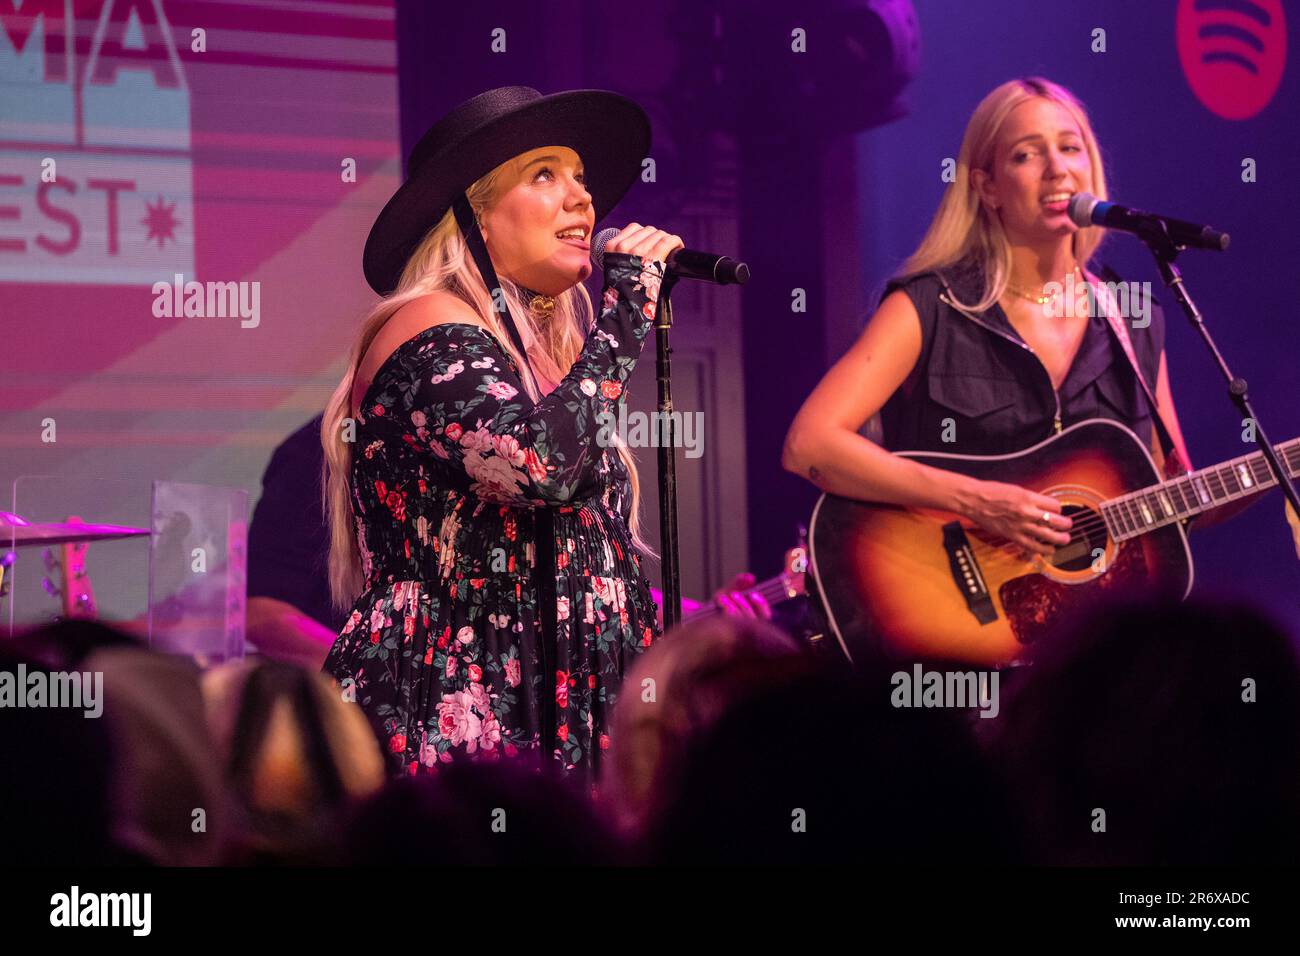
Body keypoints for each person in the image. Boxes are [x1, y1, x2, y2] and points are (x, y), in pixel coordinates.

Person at [320, 85, 693, 780]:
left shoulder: (551, 364)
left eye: (580, 178)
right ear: (475, 218)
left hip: (569, 700)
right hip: (453, 693)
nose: (583, 199)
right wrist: (627, 312)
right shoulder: (425, 322)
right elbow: (535, 467)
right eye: (545, 174)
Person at [246, 414, 772, 670]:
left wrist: (704, 615)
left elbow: (568, 591)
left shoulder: (496, 453)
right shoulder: (324, 453)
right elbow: (264, 613)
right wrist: (380, 676)